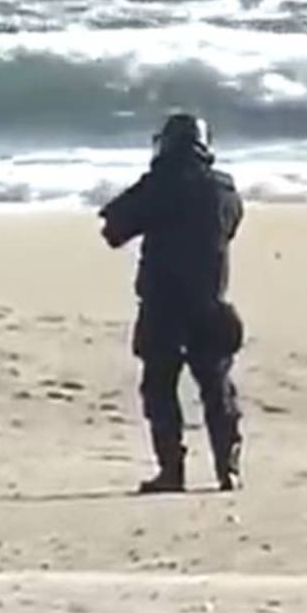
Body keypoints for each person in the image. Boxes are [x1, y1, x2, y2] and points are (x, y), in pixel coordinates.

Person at [98, 113, 245, 493]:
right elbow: (230, 226)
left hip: (163, 306)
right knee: (217, 388)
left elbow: (113, 228)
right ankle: (228, 469)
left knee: (160, 389)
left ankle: (171, 471)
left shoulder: (160, 184)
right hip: (209, 304)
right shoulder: (224, 189)